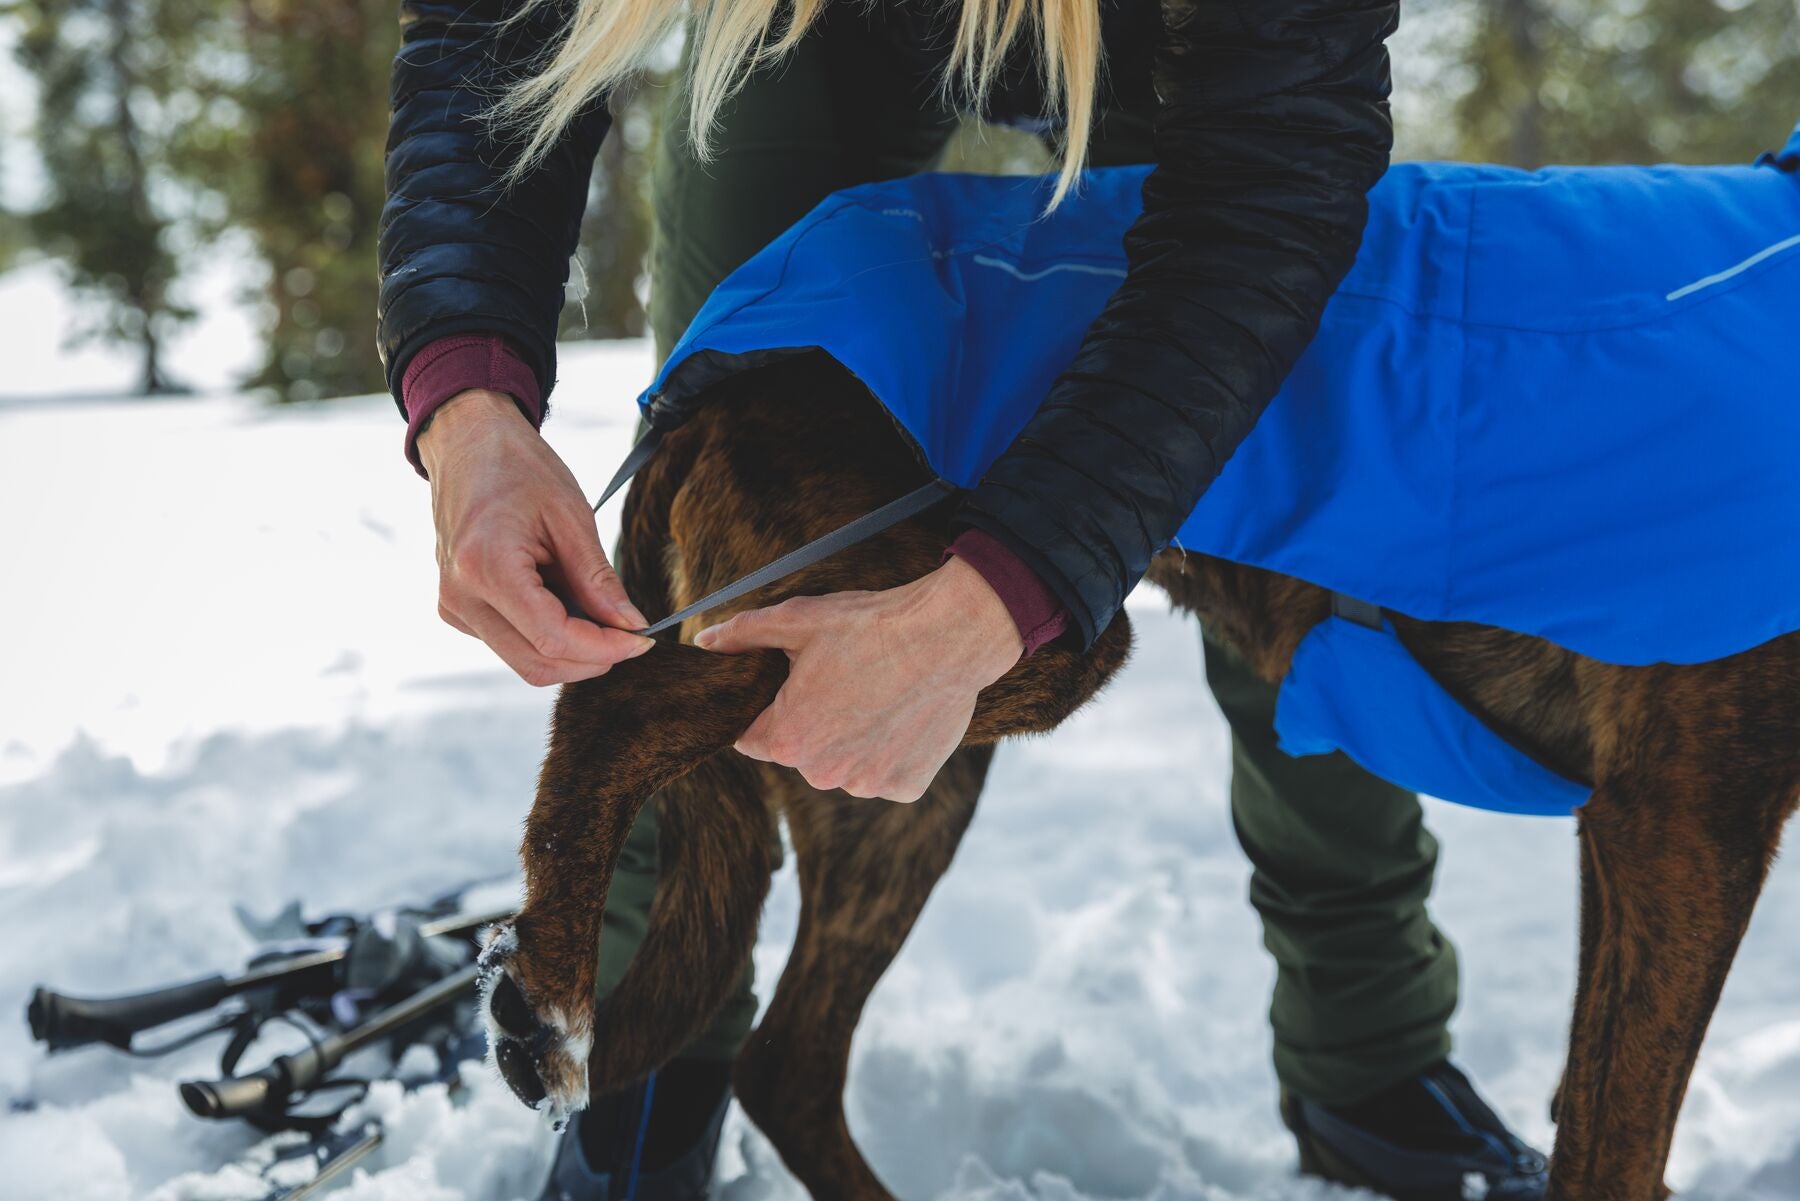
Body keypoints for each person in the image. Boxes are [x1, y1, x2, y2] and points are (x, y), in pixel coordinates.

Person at [379, 2, 1550, 1198]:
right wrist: (467, 397)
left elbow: (1267, 204)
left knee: (1296, 483)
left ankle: (1367, 1051)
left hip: (1190, 52)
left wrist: (1004, 593)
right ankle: (642, 1047)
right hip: (806, 21)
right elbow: (492, 32)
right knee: (732, 451)